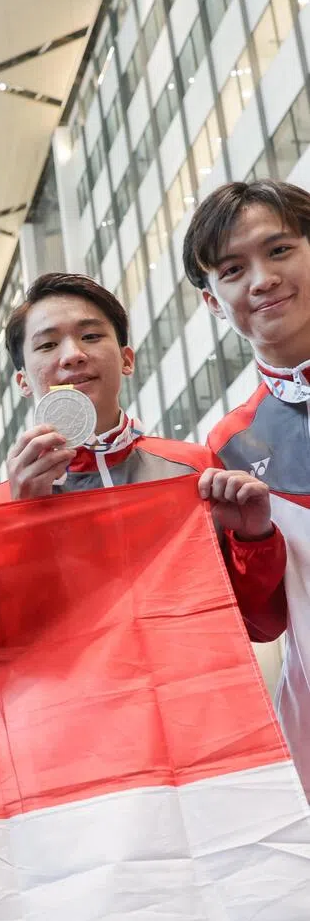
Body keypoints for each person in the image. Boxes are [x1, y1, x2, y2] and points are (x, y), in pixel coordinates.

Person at [0, 272, 285, 642]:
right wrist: (23, 521)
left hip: (195, 694)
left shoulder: (195, 470)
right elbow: (7, 645)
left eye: (91, 336)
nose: (73, 356)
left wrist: (253, 536)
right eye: (48, 345)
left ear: (126, 360)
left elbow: (262, 625)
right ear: (22, 381)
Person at [186, 178, 310, 786]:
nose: (261, 279)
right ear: (212, 302)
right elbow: (263, 623)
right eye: (233, 269)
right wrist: (256, 536)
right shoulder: (228, 447)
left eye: (280, 251)